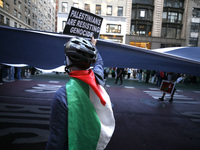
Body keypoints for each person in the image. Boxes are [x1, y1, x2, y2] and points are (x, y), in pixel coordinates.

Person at [45, 37, 115, 150]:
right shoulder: (98, 79)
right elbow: (99, 64)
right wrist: (94, 47)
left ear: (67, 61)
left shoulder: (63, 95)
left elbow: (56, 140)